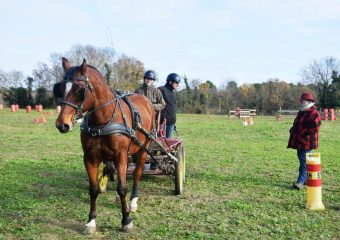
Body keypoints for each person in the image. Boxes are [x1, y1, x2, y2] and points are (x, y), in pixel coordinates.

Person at [287, 92, 321, 190]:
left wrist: (301, 132)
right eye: (301, 101)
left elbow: (315, 127)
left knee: (303, 161)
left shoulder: (314, 112)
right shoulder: (302, 111)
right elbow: (298, 124)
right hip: (300, 140)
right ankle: (305, 179)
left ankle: (300, 182)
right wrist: (293, 129)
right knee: (302, 159)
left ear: (309, 101)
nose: (301, 102)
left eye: (303, 101)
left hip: (307, 141)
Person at [158, 73, 181, 138]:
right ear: (170, 82)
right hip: (162, 123)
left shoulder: (174, 92)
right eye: (176, 82)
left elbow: (172, 108)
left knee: (168, 145)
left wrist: (174, 122)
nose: (178, 85)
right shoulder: (161, 90)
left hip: (171, 123)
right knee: (161, 145)